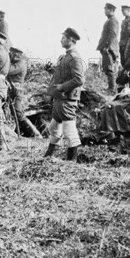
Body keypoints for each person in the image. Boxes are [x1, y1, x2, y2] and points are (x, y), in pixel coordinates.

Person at [44, 28, 85, 162]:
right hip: (59, 98)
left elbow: (79, 79)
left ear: (71, 40)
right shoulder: (65, 57)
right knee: (54, 127)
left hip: (67, 98)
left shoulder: (74, 57)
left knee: (69, 131)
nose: (61, 40)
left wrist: (62, 87)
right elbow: (59, 76)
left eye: (63, 38)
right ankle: (49, 155)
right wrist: (51, 71)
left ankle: (71, 160)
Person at [96, 3, 120, 93]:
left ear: (111, 10)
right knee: (107, 67)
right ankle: (111, 87)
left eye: (106, 9)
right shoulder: (110, 20)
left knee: (109, 68)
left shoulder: (113, 20)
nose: (104, 11)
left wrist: (107, 46)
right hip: (108, 48)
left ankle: (112, 88)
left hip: (109, 49)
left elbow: (113, 34)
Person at [6, 47, 29, 135]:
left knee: (18, 112)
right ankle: (18, 133)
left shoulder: (21, 63)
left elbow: (8, 70)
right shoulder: (16, 62)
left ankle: (33, 133)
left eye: (10, 54)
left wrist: (5, 59)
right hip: (12, 91)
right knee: (11, 111)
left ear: (16, 55)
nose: (9, 55)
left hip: (17, 92)